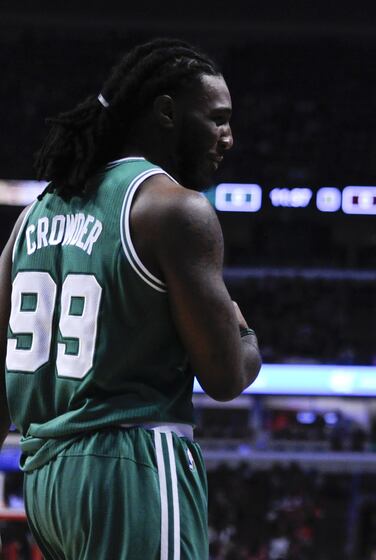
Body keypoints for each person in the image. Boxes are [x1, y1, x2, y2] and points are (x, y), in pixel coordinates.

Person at [0, 39, 262, 558]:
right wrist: (244, 332)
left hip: (46, 477)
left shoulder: (31, 219)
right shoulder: (174, 210)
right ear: (166, 113)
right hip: (134, 465)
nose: (228, 138)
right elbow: (227, 377)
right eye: (217, 119)